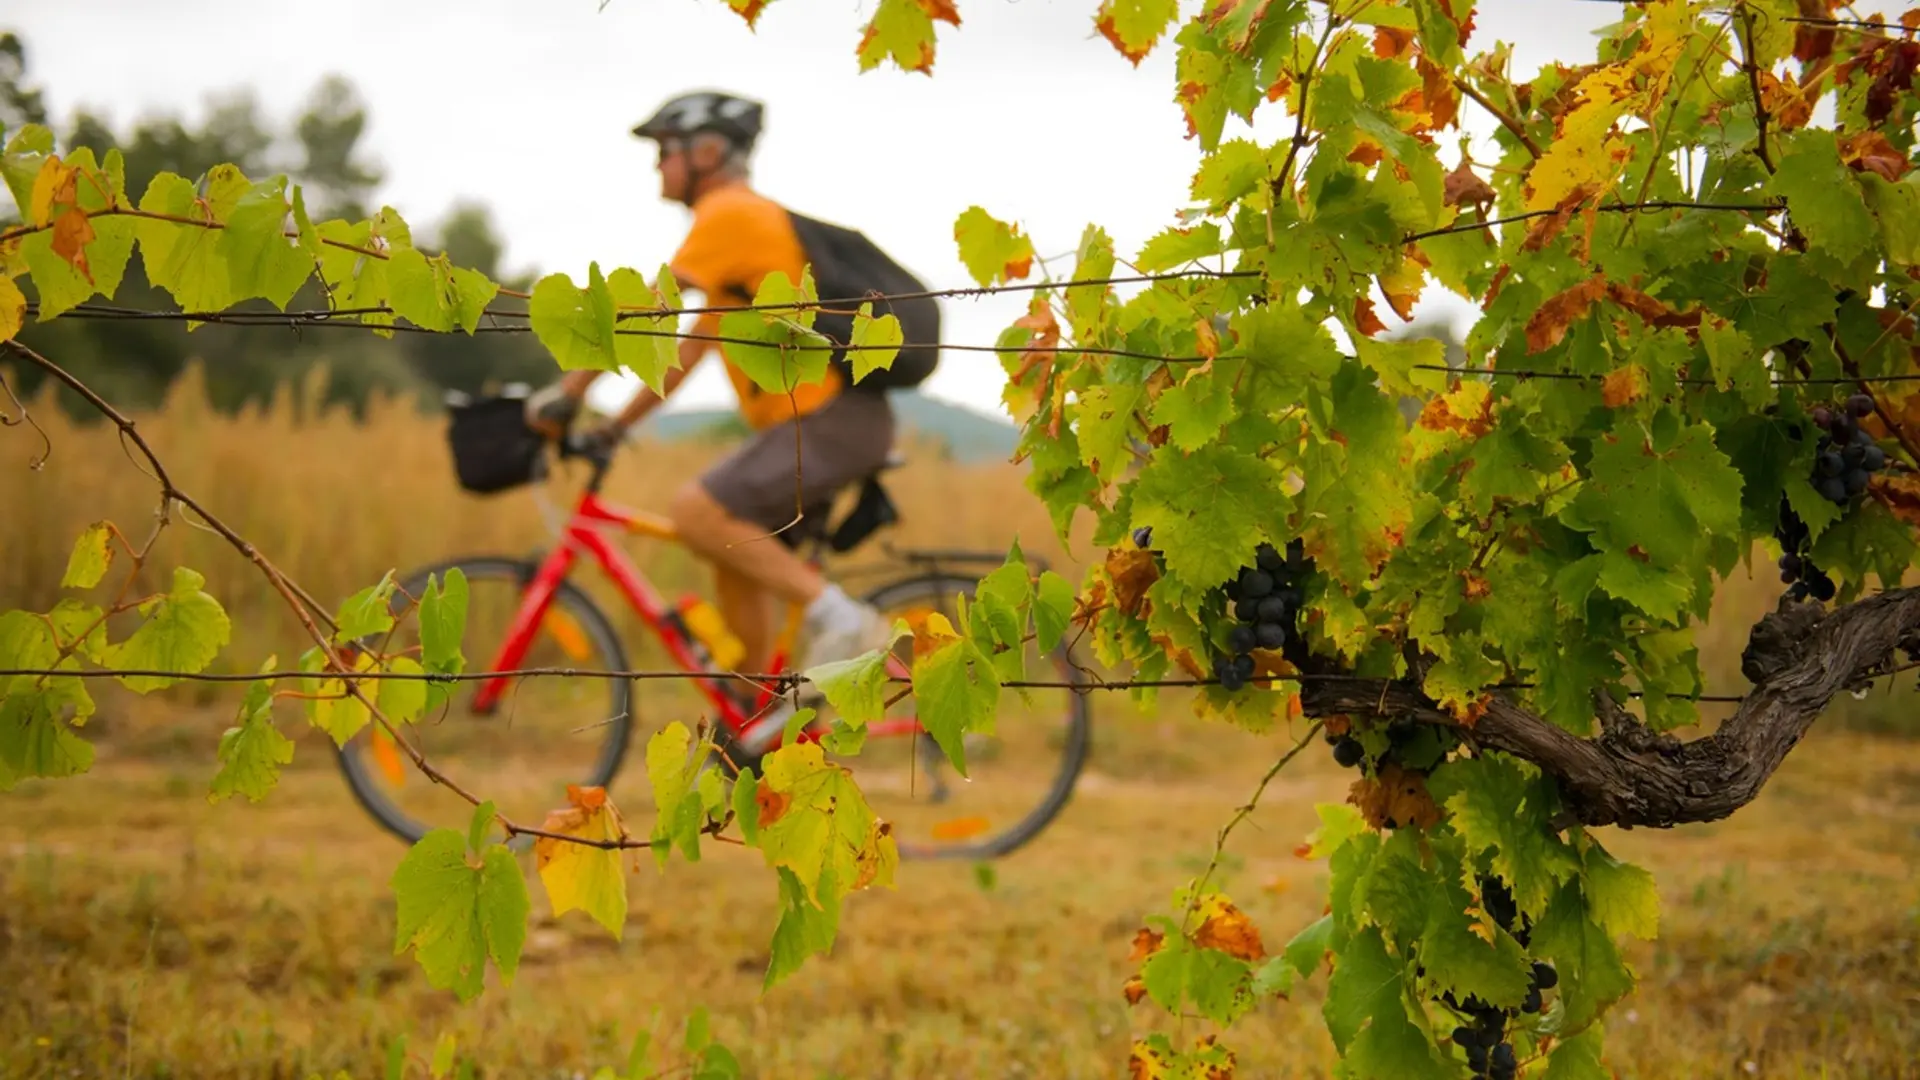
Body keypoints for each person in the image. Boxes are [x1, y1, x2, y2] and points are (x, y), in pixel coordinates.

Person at [524, 89, 895, 725]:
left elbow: (651, 307)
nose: (656, 165)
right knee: (735, 558)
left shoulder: (731, 213)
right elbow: (685, 350)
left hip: (833, 422)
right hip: (823, 428)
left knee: (698, 511)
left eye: (665, 150)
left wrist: (568, 393)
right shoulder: (738, 242)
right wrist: (615, 426)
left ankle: (848, 625)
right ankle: (754, 723)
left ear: (709, 151)